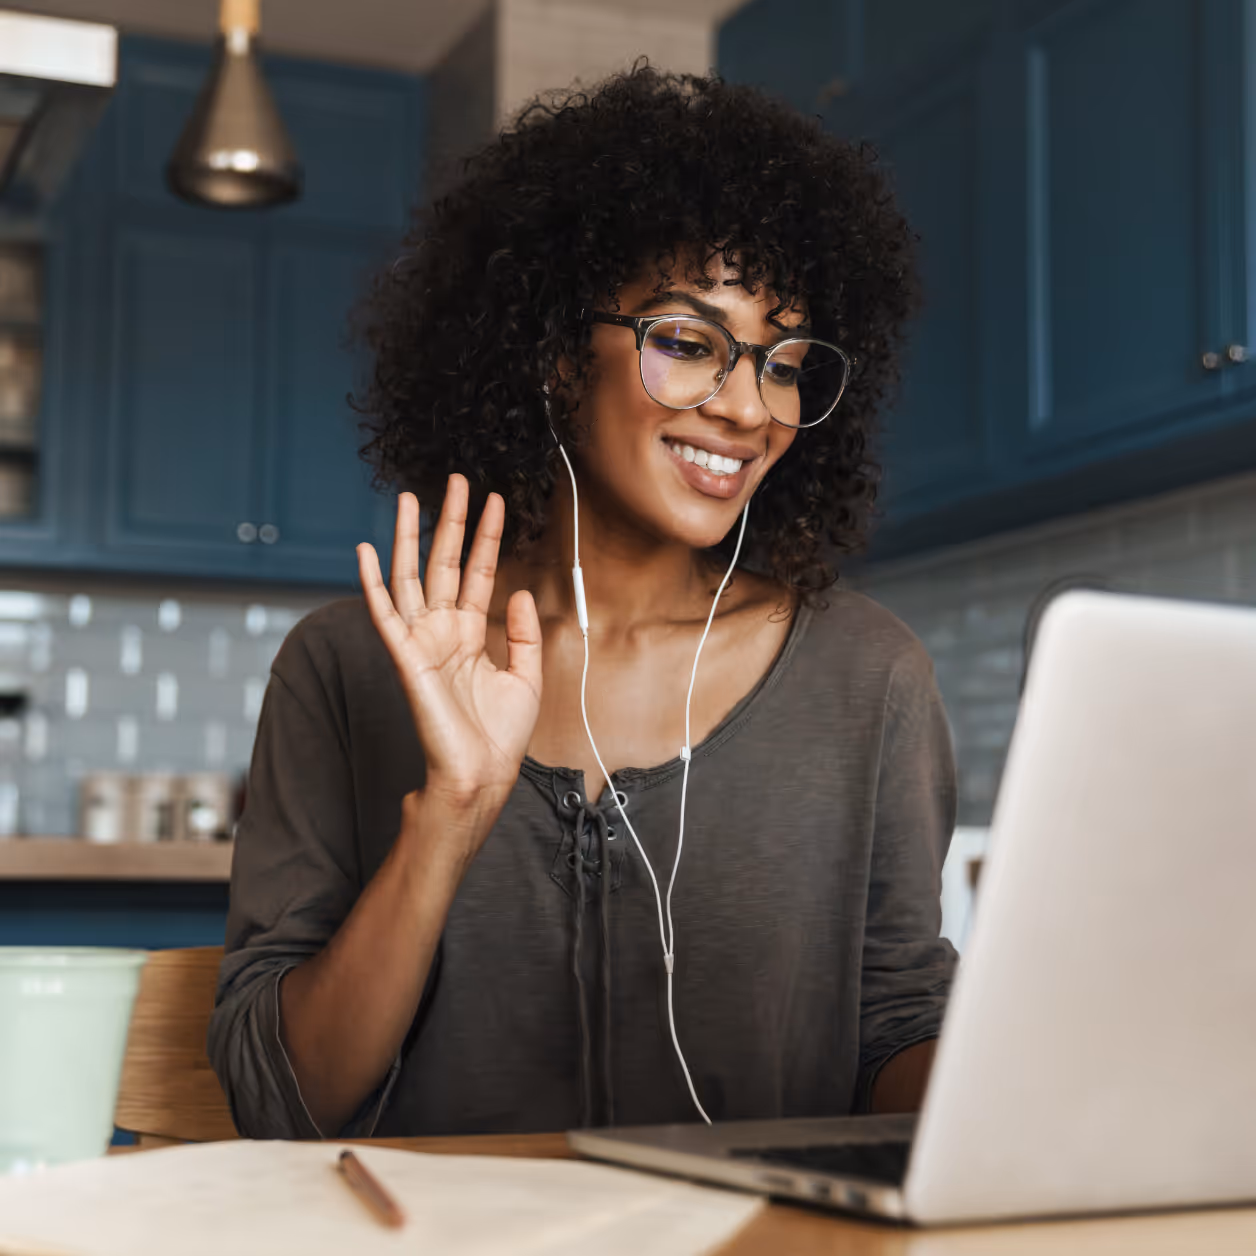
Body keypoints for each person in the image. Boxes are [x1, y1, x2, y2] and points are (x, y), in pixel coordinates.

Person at [208, 64, 958, 1140]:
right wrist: (450, 819)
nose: (748, 407)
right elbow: (281, 1100)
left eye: (785, 362)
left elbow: (894, 1032)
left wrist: (1044, 1088)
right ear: (559, 354)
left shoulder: (865, 675)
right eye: (689, 343)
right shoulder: (346, 666)